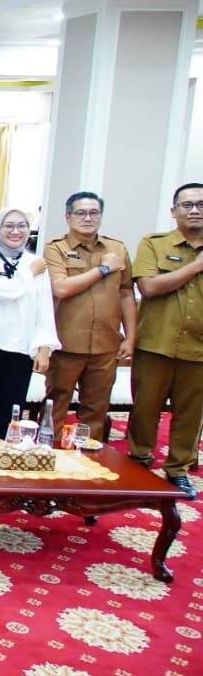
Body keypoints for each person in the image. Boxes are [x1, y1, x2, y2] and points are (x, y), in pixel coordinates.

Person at [126, 183, 203, 500]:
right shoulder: (154, 244)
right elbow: (149, 287)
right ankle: (139, 462)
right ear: (174, 211)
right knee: (145, 409)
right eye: (187, 205)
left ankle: (178, 470)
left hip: (198, 349)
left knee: (190, 414)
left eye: (201, 204)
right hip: (156, 344)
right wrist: (197, 266)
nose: (195, 210)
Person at [42, 192, 136, 441]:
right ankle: (51, 451)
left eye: (94, 213)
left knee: (96, 406)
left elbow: (126, 292)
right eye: (81, 213)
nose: (88, 218)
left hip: (106, 343)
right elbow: (61, 288)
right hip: (66, 342)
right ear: (68, 217)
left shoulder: (117, 249)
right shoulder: (56, 248)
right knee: (56, 402)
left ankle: (88, 455)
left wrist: (130, 338)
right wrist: (103, 269)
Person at [0, 207, 60, 439]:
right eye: (8, 226)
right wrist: (29, 273)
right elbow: (0, 292)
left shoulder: (36, 263)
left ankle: (3, 452)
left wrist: (44, 347)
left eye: (22, 226)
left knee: (12, 408)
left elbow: (44, 307)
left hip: (21, 345)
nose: (15, 231)